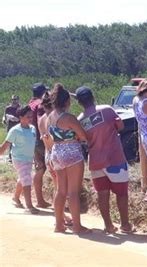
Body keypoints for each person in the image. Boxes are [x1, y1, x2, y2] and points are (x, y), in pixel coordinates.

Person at [76, 86, 133, 234]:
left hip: (95, 161)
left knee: (102, 194)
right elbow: (120, 126)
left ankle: (108, 225)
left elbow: (81, 138)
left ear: (79, 103)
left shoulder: (80, 120)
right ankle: (125, 225)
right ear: (93, 97)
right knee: (121, 193)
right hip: (115, 159)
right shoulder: (107, 110)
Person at [48, 83, 90, 234]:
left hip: (56, 152)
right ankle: (77, 226)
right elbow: (83, 136)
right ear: (67, 102)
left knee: (60, 191)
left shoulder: (50, 117)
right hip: (71, 152)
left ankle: (59, 225)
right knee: (73, 192)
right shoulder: (69, 118)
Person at [38, 92, 72, 226]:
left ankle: (60, 215)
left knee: (58, 187)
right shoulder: (54, 118)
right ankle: (61, 217)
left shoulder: (41, 119)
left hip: (49, 155)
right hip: (57, 155)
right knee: (61, 189)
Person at [0, 106, 40, 214]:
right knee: (27, 179)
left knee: (23, 178)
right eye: (28, 117)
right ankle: (29, 206)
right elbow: (5, 145)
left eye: (31, 116)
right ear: (21, 117)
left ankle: (16, 198)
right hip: (19, 159)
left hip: (28, 159)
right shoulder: (15, 130)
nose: (30, 119)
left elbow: (33, 145)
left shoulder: (32, 128)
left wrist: (36, 158)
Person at [28, 83, 50, 208]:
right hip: (42, 140)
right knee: (48, 169)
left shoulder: (30, 104)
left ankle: (39, 199)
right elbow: (43, 121)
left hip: (32, 140)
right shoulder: (40, 104)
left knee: (39, 168)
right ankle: (41, 200)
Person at [2, 95, 21, 162]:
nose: (14, 101)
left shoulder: (20, 108)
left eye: (15, 99)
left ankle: (17, 156)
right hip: (10, 127)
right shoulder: (8, 108)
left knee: (18, 142)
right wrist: (5, 119)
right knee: (10, 141)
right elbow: (4, 117)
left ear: (18, 100)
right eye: (13, 99)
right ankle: (10, 156)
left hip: (18, 126)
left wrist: (17, 119)